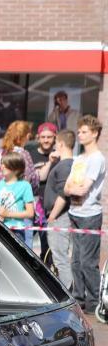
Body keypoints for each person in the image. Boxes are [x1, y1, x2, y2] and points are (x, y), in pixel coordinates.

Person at [63, 115, 105, 313]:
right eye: (79, 131)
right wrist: (73, 189)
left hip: (90, 214)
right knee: (76, 261)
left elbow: (83, 189)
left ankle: (95, 302)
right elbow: (67, 188)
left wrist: (74, 189)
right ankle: (79, 298)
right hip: (75, 212)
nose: (80, 134)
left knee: (88, 262)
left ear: (94, 133)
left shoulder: (97, 159)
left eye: (84, 131)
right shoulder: (79, 158)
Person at [43, 130, 76, 291]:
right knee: (59, 256)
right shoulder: (65, 164)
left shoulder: (65, 166)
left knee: (60, 257)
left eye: (56, 143)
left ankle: (67, 292)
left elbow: (63, 194)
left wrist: (53, 216)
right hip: (59, 215)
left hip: (60, 216)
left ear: (61, 144)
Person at [0, 151, 35, 247]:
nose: (2, 166)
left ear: (17, 169)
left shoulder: (25, 186)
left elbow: (30, 213)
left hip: (17, 231)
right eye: (2, 164)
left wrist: (8, 214)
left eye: (6, 164)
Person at [27, 122, 58, 253]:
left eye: (49, 137)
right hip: (32, 207)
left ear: (55, 137)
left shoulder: (59, 156)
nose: (46, 140)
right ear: (38, 138)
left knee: (48, 249)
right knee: (26, 245)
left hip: (52, 209)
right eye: (43, 137)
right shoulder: (29, 155)